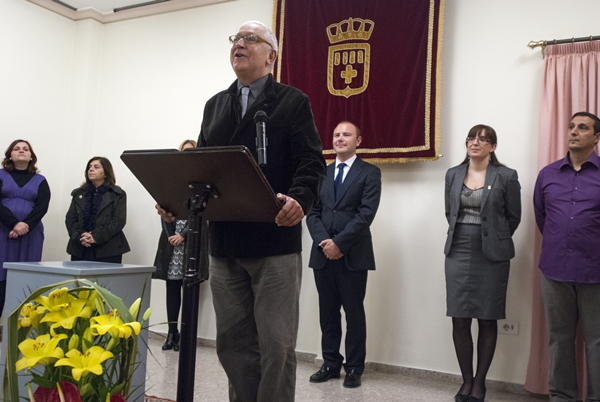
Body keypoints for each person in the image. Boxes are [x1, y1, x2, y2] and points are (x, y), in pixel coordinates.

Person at [159, 20, 326, 402]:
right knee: (232, 344)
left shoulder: (292, 101)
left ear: (272, 56)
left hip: (274, 239)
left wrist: (300, 199)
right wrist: (175, 201)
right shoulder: (215, 105)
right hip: (224, 241)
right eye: (236, 38)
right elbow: (200, 168)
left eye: (251, 38)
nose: (240, 43)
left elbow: (311, 162)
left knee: (276, 345)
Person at [444, 125, 521, 402]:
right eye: (471, 138)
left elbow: (513, 217)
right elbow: (449, 212)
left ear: (493, 146)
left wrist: (493, 238)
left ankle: (480, 383)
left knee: (488, 318)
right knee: (459, 317)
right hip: (458, 249)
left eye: (483, 139)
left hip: (492, 254)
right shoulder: (453, 174)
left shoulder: (506, 175)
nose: (475, 142)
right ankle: (466, 381)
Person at [306, 121, 381, 389]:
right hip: (322, 254)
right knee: (327, 313)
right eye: (336, 134)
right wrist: (325, 242)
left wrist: (339, 244)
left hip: (353, 255)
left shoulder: (369, 172)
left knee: (353, 313)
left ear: (357, 141)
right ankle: (330, 363)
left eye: (346, 135)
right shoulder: (321, 173)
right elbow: (312, 212)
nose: (340, 138)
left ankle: (354, 367)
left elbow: (366, 214)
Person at [533, 111, 600, 402]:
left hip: (595, 271)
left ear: (596, 138)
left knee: (597, 341)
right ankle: (562, 397)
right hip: (555, 269)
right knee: (559, 339)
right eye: (571, 126)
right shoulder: (547, 174)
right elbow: (542, 217)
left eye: (582, 127)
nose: (573, 131)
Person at [152, 139, 202, 351]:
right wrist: (172, 235)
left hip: (191, 244)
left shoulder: (201, 180)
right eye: (184, 152)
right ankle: (172, 333)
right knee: (171, 290)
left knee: (189, 292)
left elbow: (202, 216)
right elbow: (164, 211)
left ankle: (186, 335)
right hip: (171, 246)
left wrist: (183, 235)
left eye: (191, 151)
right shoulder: (173, 180)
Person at [0, 139, 50, 316]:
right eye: (16, 148)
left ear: (31, 157)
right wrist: (14, 223)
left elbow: (42, 207)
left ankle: (21, 326)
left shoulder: (40, 180)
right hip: (3, 232)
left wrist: (25, 225)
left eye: (25, 149)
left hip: (31, 234)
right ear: (10, 155)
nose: (21, 151)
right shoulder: (0, 175)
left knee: (26, 278)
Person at [65, 156, 130, 263]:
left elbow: (119, 221)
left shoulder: (117, 194)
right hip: (81, 246)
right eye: (89, 167)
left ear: (106, 173)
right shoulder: (79, 193)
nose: (91, 169)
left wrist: (96, 237)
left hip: (108, 248)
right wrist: (80, 237)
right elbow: (70, 219)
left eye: (96, 167)